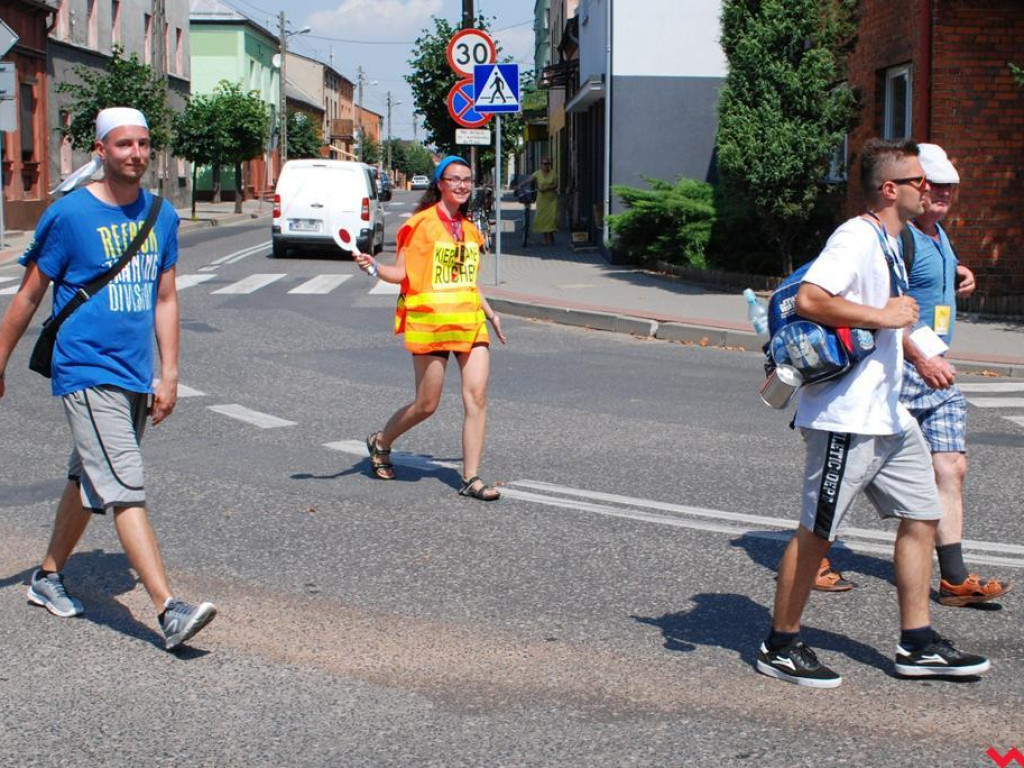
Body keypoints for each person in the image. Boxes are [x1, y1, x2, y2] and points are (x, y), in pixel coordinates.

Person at [756, 138, 989, 688]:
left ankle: (918, 642)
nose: (927, 188)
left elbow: (897, 318)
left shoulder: (895, 242)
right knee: (817, 533)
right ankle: (780, 645)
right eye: (917, 181)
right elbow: (812, 299)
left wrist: (916, 343)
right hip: (846, 417)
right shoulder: (857, 238)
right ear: (890, 189)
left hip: (888, 414)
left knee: (923, 515)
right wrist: (882, 314)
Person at [0, 107, 217, 651]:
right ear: (101, 150)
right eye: (124, 145)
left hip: (134, 374)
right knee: (124, 485)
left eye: (143, 144)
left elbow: (166, 298)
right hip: (86, 370)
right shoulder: (69, 216)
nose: (136, 154)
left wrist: (169, 374)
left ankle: (48, 577)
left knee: (88, 480)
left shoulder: (162, 215)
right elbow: (27, 296)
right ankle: (169, 610)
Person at [354, 156, 507, 500]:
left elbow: (467, 281)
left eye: (467, 179)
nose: (462, 185)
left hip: (469, 322)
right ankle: (381, 441)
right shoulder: (420, 225)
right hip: (431, 323)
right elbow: (402, 274)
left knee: (477, 396)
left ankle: (471, 478)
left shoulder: (469, 229)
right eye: (454, 179)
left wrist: (490, 312)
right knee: (427, 404)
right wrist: (375, 267)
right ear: (440, 184)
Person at [898, 143, 1012, 606]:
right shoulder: (898, 236)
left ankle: (953, 578)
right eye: (935, 185)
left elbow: (933, 276)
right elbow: (885, 305)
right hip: (902, 369)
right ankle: (817, 552)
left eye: (950, 185)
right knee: (860, 470)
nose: (944, 192)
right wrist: (922, 356)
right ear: (914, 187)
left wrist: (960, 269)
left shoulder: (938, 233)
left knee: (952, 465)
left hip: (938, 370)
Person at [522, 158, 558, 246]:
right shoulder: (537, 173)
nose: (546, 166)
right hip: (542, 200)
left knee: (551, 219)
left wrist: (548, 188)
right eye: (544, 164)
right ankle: (546, 238)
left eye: (548, 164)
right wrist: (520, 185)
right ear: (541, 165)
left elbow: (556, 185)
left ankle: (551, 237)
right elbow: (529, 180)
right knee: (542, 219)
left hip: (551, 200)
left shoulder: (553, 173)